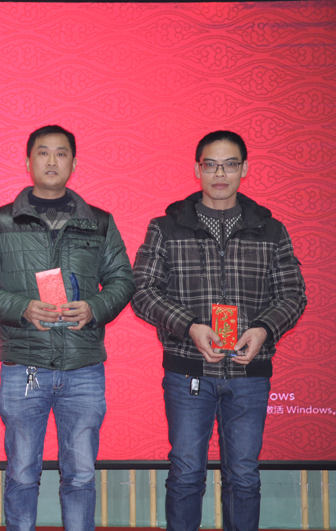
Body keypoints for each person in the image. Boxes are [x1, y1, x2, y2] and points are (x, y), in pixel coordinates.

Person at [131, 131, 306, 531]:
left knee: (243, 476)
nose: (220, 173)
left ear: (244, 169)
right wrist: (190, 326)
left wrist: (263, 329)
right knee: (186, 473)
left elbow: (293, 294)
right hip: (188, 372)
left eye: (229, 165)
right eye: (210, 164)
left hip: (249, 373)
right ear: (198, 170)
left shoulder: (270, 229)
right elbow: (143, 292)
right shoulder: (166, 227)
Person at [0, 125, 135, 531]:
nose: (52, 161)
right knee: (22, 473)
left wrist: (94, 308)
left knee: (81, 475)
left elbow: (123, 280)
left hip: (84, 366)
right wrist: (23, 308)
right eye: (43, 152)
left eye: (61, 153)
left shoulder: (99, 222)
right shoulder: (0, 221)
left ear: (73, 163)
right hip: (24, 366)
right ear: (28, 162)